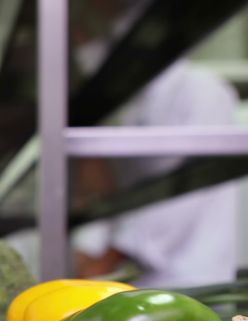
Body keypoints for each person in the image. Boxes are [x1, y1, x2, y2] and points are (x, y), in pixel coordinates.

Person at [72, 61, 239, 288]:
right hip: (141, 280)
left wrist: (109, 257)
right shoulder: (130, 107)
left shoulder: (200, 90)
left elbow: (183, 192)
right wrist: (88, 249)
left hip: (193, 271)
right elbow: (117, 193)